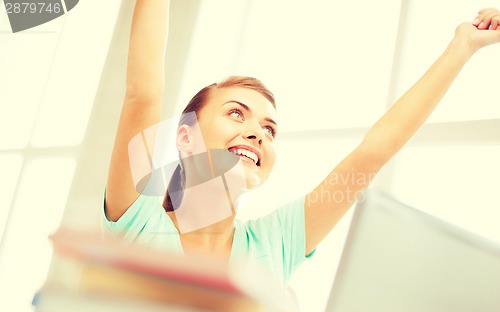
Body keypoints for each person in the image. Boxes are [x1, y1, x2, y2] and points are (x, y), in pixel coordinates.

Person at [102, 0, 500, 287]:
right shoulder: (137, 221)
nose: (258, 133)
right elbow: (144, 93)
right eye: (236, 114)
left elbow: (371, 155)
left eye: (270, 129)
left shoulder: (274, 244)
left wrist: (461, 47)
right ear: (184, 137)